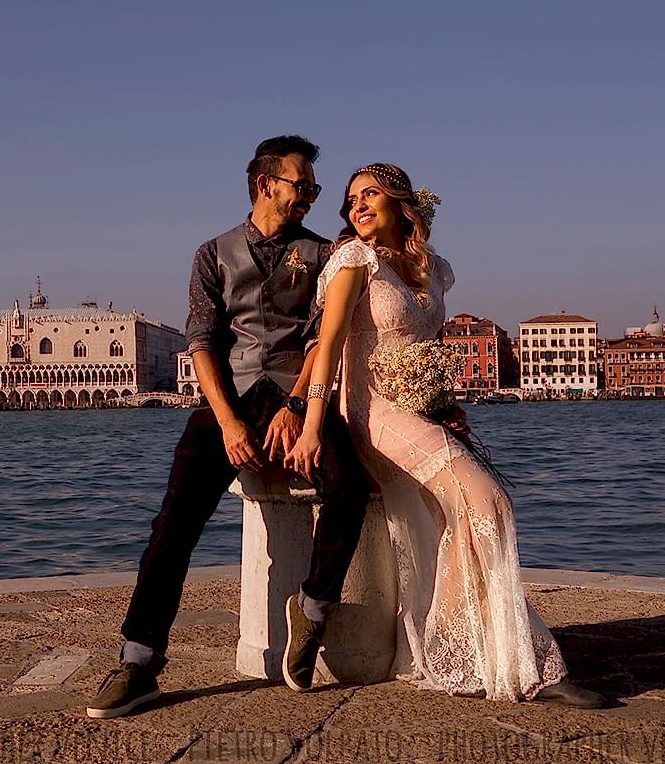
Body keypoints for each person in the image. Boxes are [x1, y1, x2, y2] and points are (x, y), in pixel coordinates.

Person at [284, 163, 603, 708]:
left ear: (401, 204)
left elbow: (420, 346)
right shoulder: (351, 260)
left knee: (468, 516)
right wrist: (311, 428)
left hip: (417, 411)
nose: (357, 206)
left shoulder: (428, 268)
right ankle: (483, 653)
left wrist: (442, 402)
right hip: (371, 411)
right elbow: (329, 348)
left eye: (370, 195)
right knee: (489, 502)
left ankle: (474, 651)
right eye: (351, 198)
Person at [87, 136, 375, 719]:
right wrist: (226, 424)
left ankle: (313, 612)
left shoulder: (324, 255)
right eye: (304, 185)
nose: (312, 197)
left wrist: (298, 409)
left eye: (315, 188)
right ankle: (138, 661)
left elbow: (323, 341)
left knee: (351, 486)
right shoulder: (211, 254)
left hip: (297, 395)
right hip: (230, 400)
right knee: (173, 522)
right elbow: (202, 343)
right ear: (266, 184)